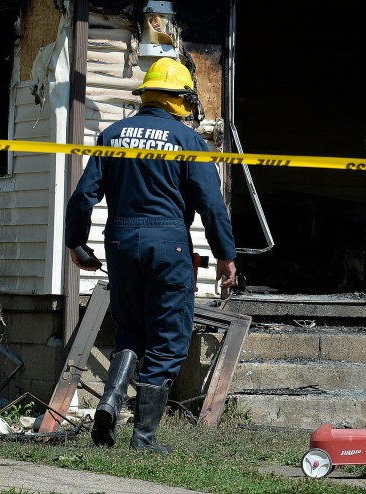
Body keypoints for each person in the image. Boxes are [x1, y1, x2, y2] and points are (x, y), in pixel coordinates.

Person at [64, 57, 237, 451]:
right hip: (167, 244)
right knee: (168, 339)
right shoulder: (188, 141)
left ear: (146, 95)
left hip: (120, 244)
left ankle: (109, 400)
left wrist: (77, 243)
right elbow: (211, 204)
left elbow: (83, 197)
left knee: (130, 330)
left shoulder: (112, 134)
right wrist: (225, 255)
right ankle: (144, 437)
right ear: (180, 100)